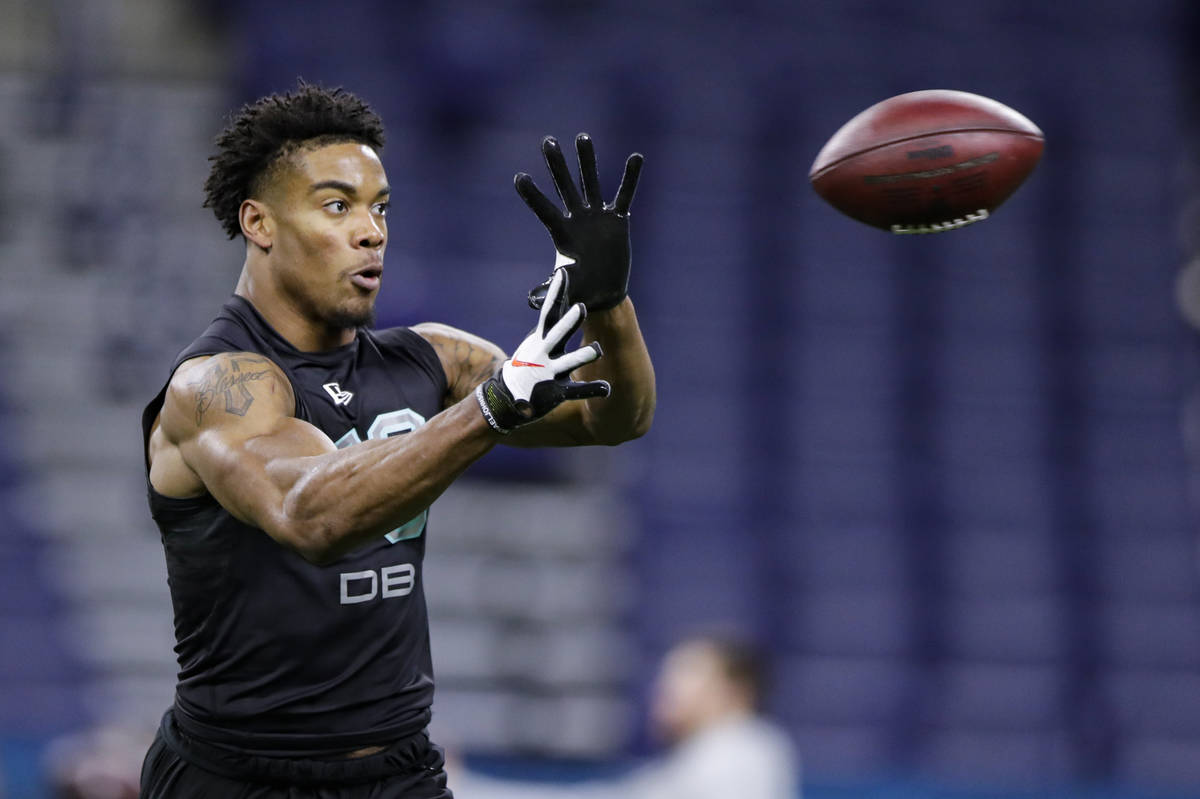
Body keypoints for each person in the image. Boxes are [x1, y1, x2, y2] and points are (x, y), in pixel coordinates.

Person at [138, 82, 655, 798]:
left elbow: (614, 419)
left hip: (398, 769)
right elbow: (310, 517)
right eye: (337, 205)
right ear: (258, 221)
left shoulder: (430, 357)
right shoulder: (217, 385)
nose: (372, 230)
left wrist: (609, 305)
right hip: (240, 773)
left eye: (380, 208)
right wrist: (491, 411)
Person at [449, 634, 799, 799]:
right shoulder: (710, 757)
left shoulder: (739, 754)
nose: (667, 690)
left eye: (687, 676)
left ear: (733, 691)